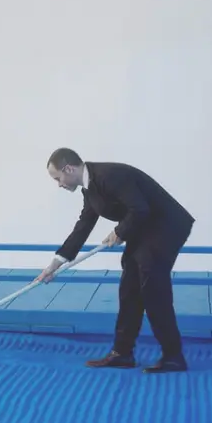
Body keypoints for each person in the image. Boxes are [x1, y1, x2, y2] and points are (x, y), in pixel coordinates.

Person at [38, 148, 194, 373]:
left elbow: (140, 208)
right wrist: (55, 264)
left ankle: (173, 357)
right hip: (145, 229)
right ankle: (122, 353)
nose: (59, 184)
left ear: (68, 169)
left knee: (152, 289)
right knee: (129, 288)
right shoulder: (90, 190)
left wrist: (120, 232)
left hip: (165, 227)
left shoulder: (109, 175)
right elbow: (82, 228)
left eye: (57, 178)